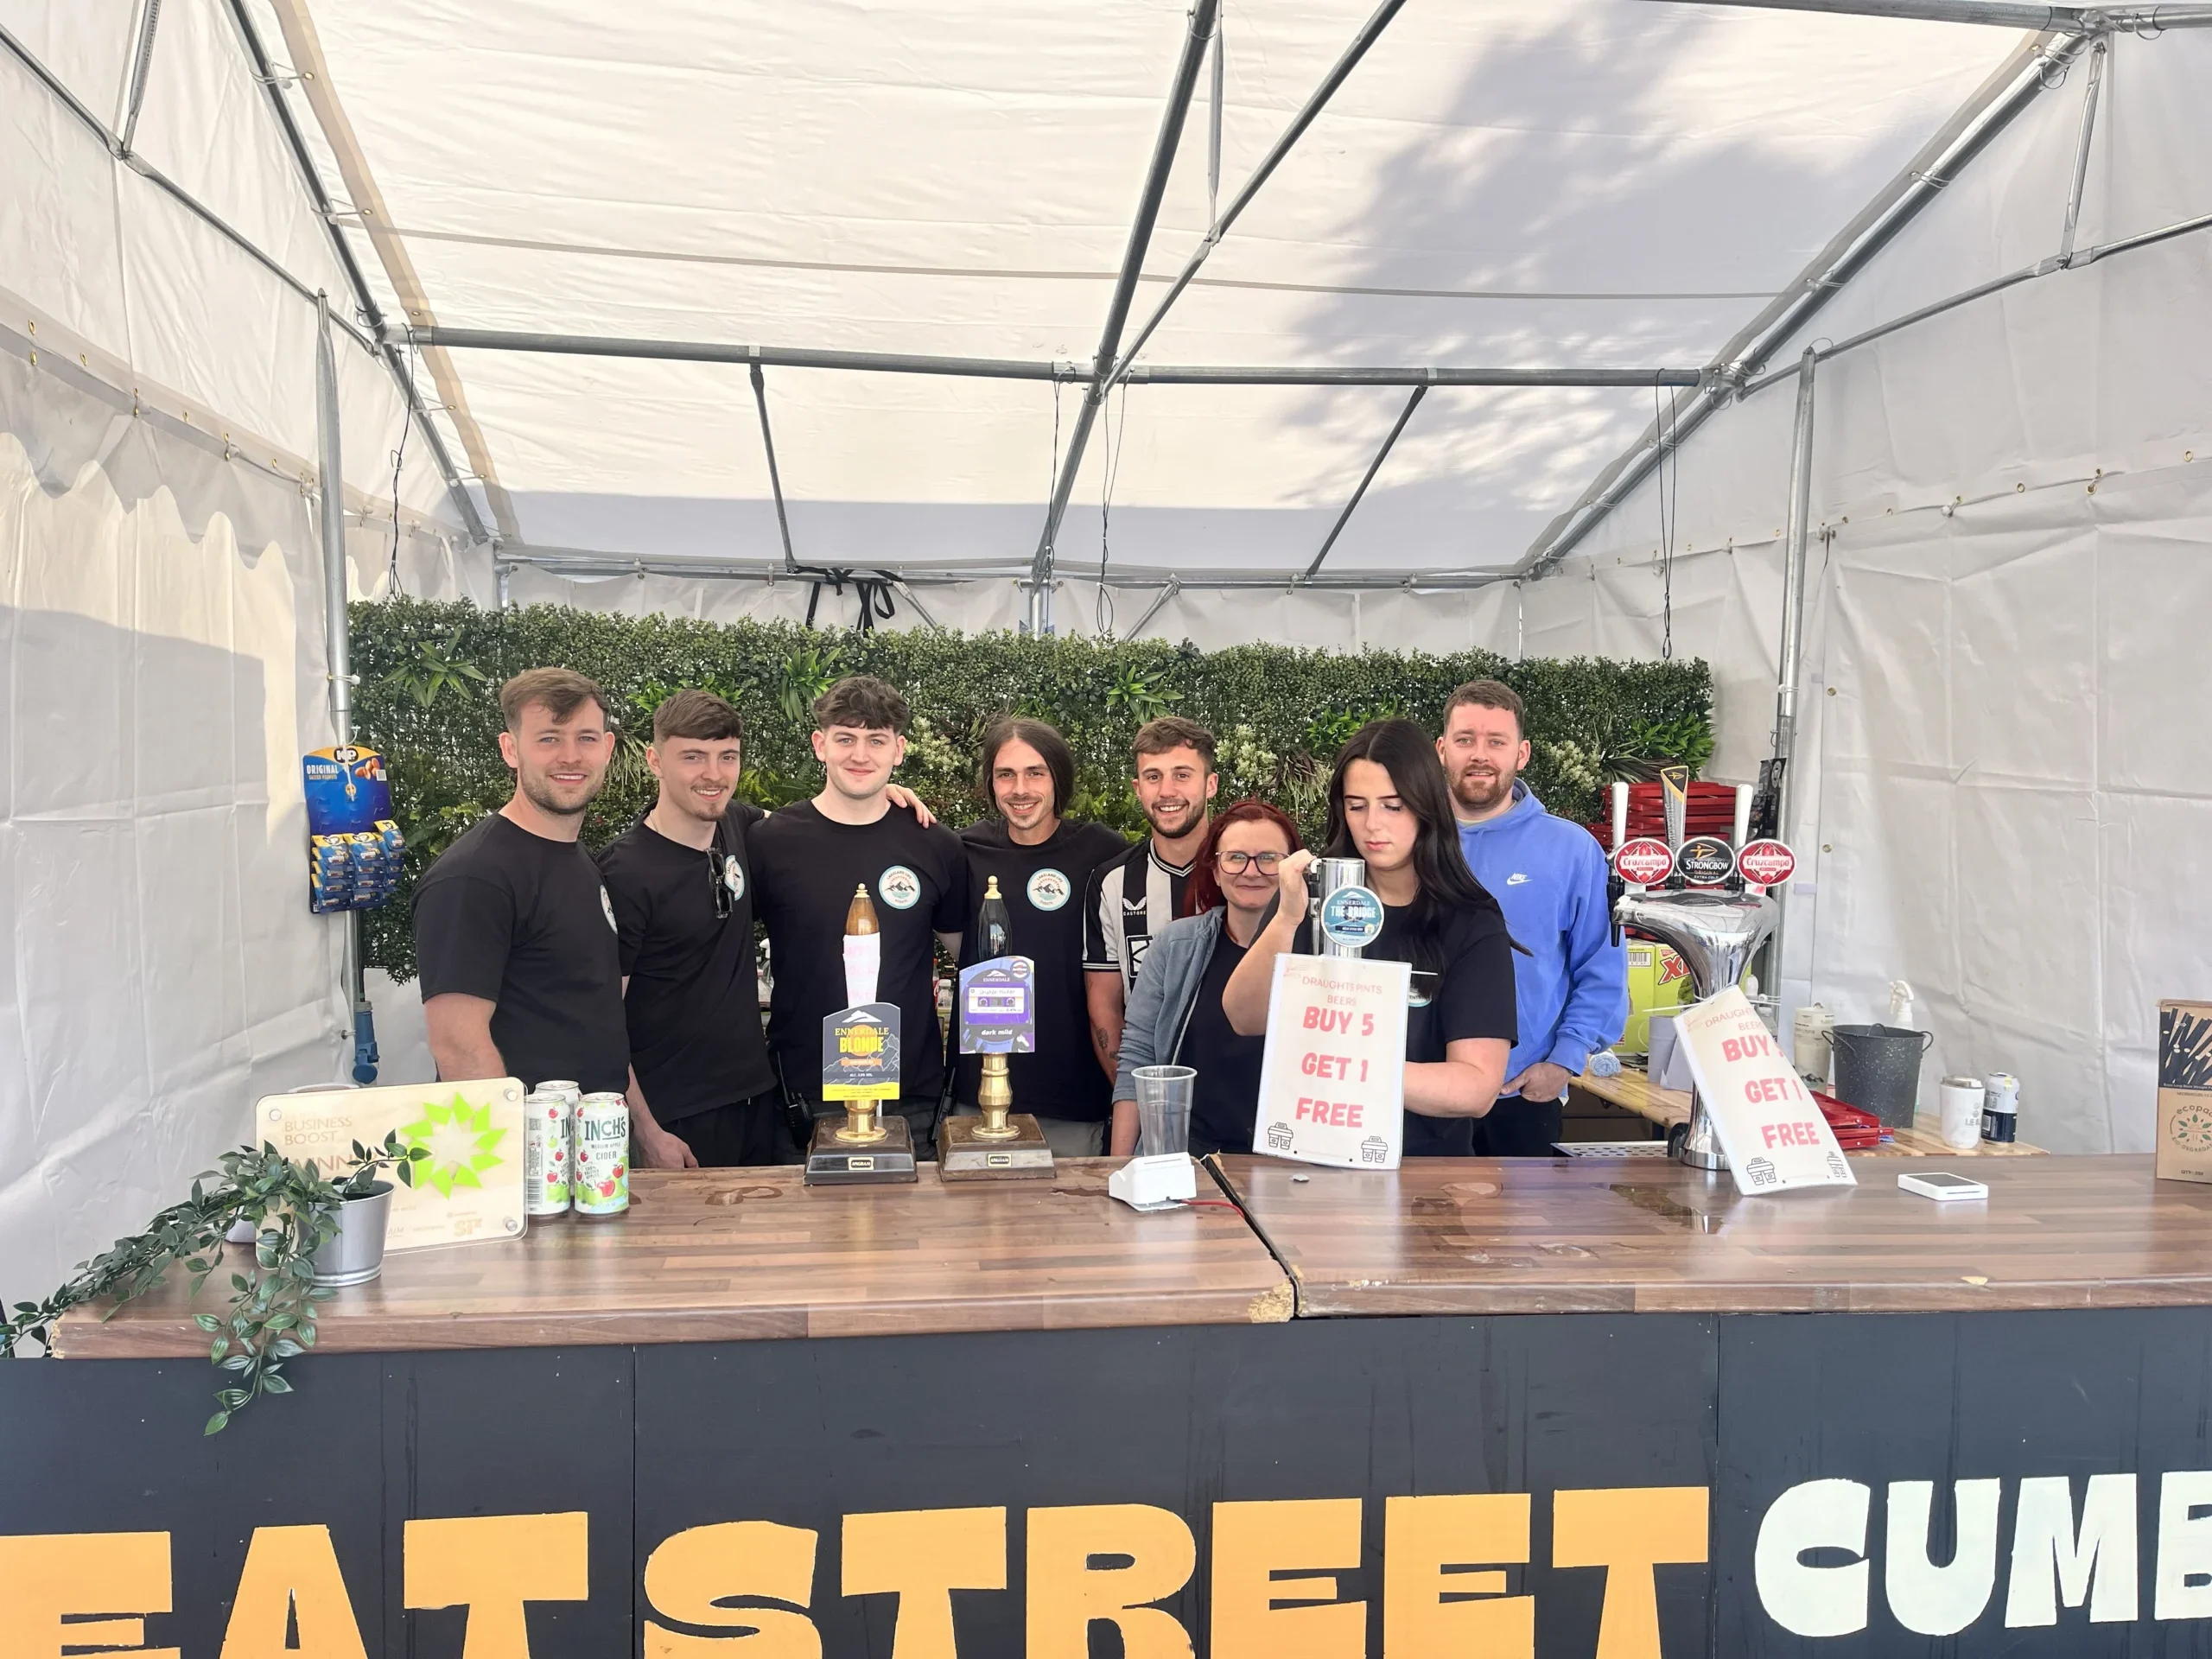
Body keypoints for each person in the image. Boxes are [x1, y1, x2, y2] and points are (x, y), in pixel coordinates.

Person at [1224, 719, 1517, 1156]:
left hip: (1423, 1182)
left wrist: (1353, 1070)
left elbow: (1476, 1087)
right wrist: (1287, 918)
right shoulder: (1314, 898)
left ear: (1426, 806)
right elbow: (1244, 1017)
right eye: (1357, 805)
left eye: (1393, 806)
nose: (1372, 826)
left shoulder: (1471, 922)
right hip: (1306, 1160)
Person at [748, 675, 968, 1157]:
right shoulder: (769, 842)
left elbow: (971, 962)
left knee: (909, 1234)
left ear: (900, 749)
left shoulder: (935, 844)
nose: (860, 755)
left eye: (876, 741)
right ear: (819, 744)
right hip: (804, 1096)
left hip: (909, 1094)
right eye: (845, 739)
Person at [413, 668, 627, 1095]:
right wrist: (518, 1155)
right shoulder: (473, 876)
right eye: (549, 738)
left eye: (585, 738)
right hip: (529, 1151)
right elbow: (458, 1046)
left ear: (606, 749)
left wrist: (646, 1126)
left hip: (594, 1138)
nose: (570, 756)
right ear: (511, 749)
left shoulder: (580, 859)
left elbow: (596, 1015)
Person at [594, 690, 784, 1169]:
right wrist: (645, 1129)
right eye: (693, 757)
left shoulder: (736, 825)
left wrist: (879, 796)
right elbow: (599, 1019)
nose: (714, 775)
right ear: (655, 760)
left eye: (727, 757)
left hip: (754, 1100)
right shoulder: (623, 873)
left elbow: (816, 826)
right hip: (674, 1116)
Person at [1439, 679, 1626, 1155]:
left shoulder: (1571, 850)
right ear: (1442, 749)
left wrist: (1564, 1062)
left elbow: (1601, 966)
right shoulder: (1408, 841)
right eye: (1465, 740)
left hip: (1520, 1094)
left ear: (1521, 754)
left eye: (1496, 742)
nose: (1480, 754)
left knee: (1519, 1232)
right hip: (1420, 1090)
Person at [955, 718, 1128, 1155]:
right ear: (990, 783)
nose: (1020, 789)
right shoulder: (964, 851)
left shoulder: (1102, 852)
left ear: (1058, 778)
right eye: (1005, 774)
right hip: (976, 1093)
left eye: (1036, 773)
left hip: (1073, 1097)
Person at [1109, 801, 1303, 1157]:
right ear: (1214, 870)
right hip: (1186, 1155)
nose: (1252, 871)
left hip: (1290, 1160)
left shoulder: (1318, 954)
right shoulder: (1177, 946)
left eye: (1269, 858)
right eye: (1236, 857)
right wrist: (1120, 1165)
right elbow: (1139, 1057)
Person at [1082, 716, 1217, 1090]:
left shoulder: (1248, 874)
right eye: (1154, 777)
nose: (1167, 791)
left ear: (1211, 784)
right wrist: (1137, 1095)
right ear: (1138, 788)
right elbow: (1105, 1007)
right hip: (1148, 1095)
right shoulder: (1111, 882)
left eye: (1182, 775)